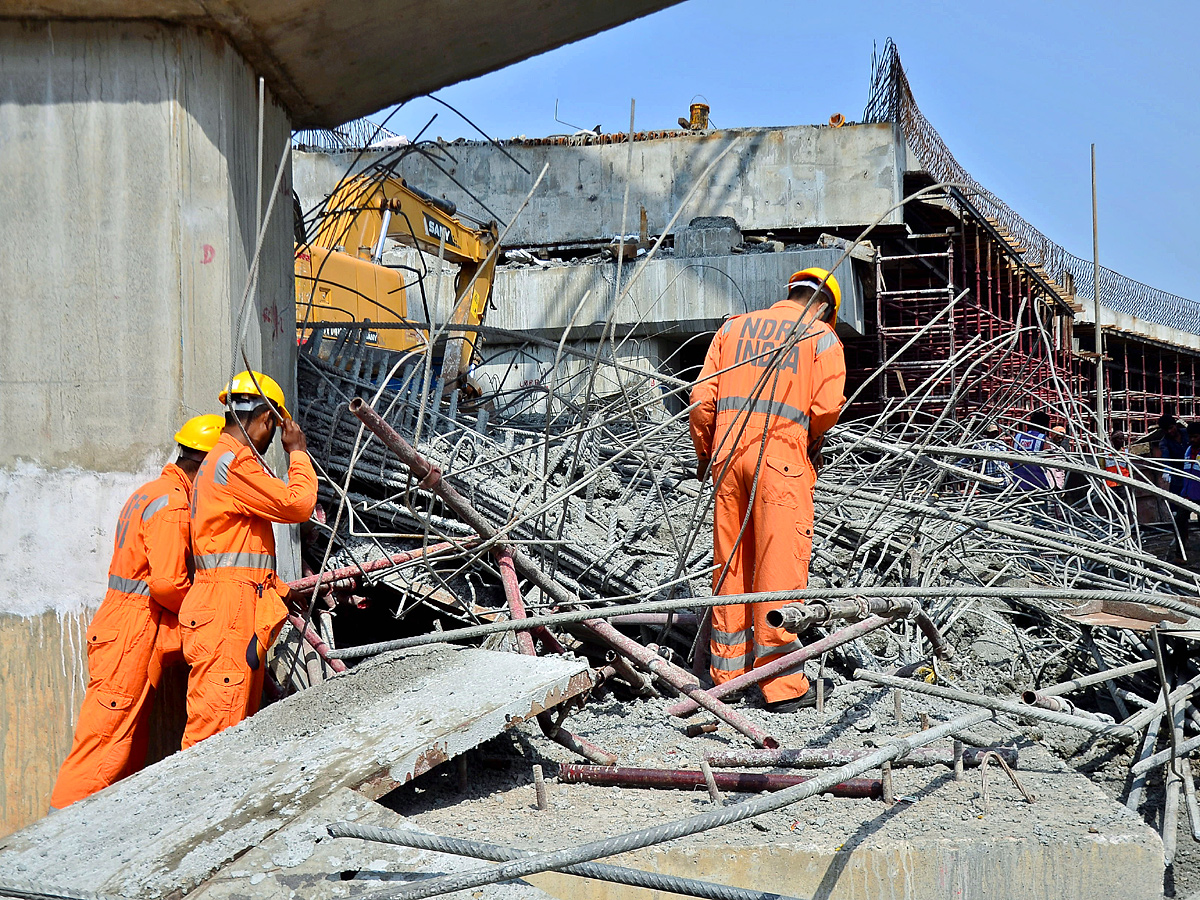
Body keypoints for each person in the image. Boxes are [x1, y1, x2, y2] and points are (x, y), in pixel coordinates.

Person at [689, 267, 846, 713]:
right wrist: (807, 440)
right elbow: (827, 407)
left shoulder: (733, 328)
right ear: (825, 307)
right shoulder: (821, 338)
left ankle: (729, 679)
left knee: (731, 567)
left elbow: (701, 402)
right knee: (778, 572)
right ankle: (781, 686)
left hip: (725, 457)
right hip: (780, 460)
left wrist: (707, 456)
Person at [50, 414, 224, 809]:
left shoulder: (149, 492)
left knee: (124, 740)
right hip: (131, 628)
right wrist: (205, 612)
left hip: (126, 624)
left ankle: (94, 837)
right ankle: (54, 841)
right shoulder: (174, 505)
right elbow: (166, 584)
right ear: (206, 464)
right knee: (103, 746)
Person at [180, 371, 317, 748]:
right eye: (275, 425)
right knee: (216, 734)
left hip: (234, 604)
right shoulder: (233, 464)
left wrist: (278, 589)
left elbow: (240, 548)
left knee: (233, 724)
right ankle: (199, 805)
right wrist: (298, 453)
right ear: (266, 419)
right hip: (227, 610)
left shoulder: (222, 461)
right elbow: (298, 503)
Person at [1175, 423, 1200, 558]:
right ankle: (1180, 555)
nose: (1192, 439)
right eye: (1191, 437)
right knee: (1179, 521)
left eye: (1195, 437)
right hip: (1188, 494)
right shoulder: (1189, 450)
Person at [1010, 411, 1051, 491]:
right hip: (1038, 484)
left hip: (1018, 483)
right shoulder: (1043, 439)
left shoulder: (1017, 437)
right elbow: (1050, 461)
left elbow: (1010, 461)